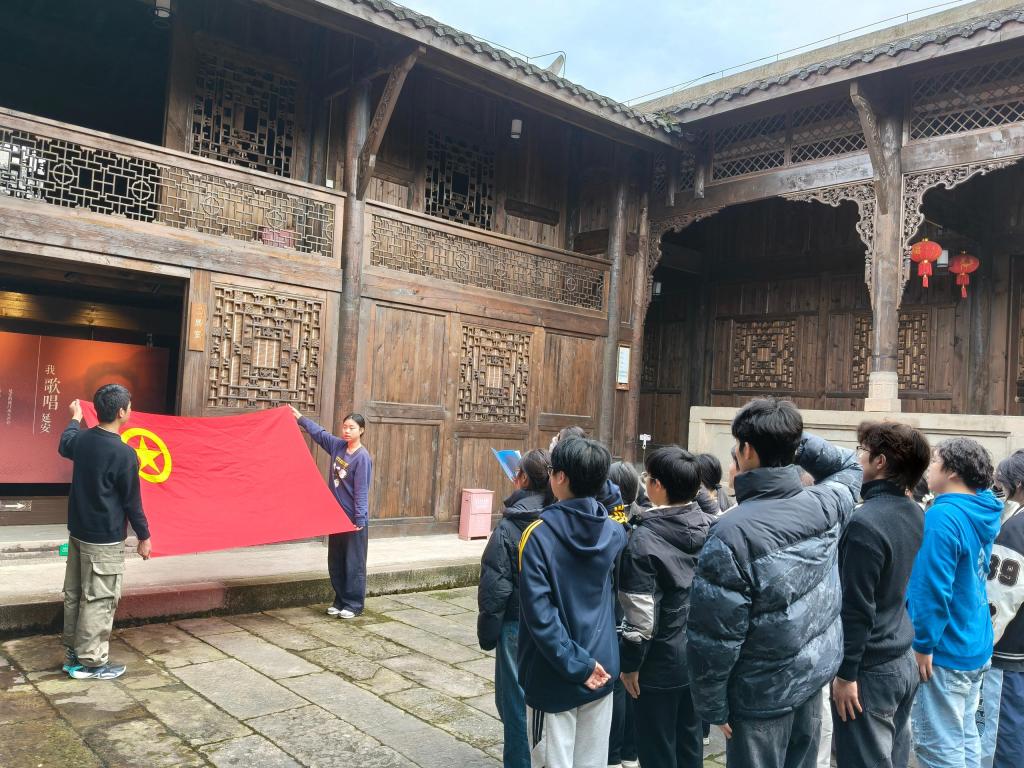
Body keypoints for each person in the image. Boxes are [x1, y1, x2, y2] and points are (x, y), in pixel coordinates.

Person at [686, 397, 861, 768]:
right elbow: (849, 464)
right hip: (811, 679)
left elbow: (715, 637)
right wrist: (791, 440)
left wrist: (712, 706)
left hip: (759, 695)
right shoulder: (825, 504)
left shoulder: (730, 532)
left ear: (747, 450)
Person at [518, 437, 627, 768]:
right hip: (603, 666)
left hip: (556, 672)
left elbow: (541, 617)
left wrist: (579, 666)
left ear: (560, 477)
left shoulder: (537, 535)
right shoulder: (614, 532)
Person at [831, 422, 931, 768]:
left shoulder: (865, 524)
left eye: (862, 451)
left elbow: (856, 608)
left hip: (871, 668)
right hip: (901, 653)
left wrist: (846, 674)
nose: (857, 457)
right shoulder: (914, 511)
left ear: (880, 461)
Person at [908, 437, 1001, 768]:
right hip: (974, 641)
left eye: (934, 462)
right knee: (964, 737)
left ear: (952, 472)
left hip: (946, 649)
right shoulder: (982, 509)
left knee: (939, 747)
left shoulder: (943, 516)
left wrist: (922, 643)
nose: (929, 469)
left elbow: (931, 588)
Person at [618, 446, 713, 768]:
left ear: (657, 485)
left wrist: (630, 664)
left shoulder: (643, 541)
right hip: (700, 654)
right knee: (690, 742)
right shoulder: (711, 526)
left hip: (658, 663)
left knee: (657, 748)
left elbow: (640, 616)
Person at [58, 385, 152, 680]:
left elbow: (65, 442)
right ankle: (91, 663)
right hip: (105, 540)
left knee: (75, 595)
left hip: (78, 533)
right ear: (122, 412)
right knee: (99, 599)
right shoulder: (125, 454)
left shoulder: (82, 440)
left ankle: (74, 656)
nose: (130, 409)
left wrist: (75, 417)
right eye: (130, 406)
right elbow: (132, 501)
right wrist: (144, 536)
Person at [477, 450, 553, 768]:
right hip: (553, 621)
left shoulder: (510, 526)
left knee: (515, 701)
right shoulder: (558, 517)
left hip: (516, 622)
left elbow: (495, 587)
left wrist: (487, 632)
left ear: (521, 478)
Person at [291, 407, 372, 618]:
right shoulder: (338, 446)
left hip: (353, 519)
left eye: (352, 428)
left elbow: (361, 490)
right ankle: (340, 600)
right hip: (335, 517)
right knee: (336, 561)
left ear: (361, 431)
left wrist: (360, 517)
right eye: (345, 427)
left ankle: (354, 604)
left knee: (353, 563)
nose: (347, 431)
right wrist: (300, 418)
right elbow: (320, 434)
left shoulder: (362, 457)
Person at [980, 451, 1024, 767]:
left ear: (1017, 485)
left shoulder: (1015, 530)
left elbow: (998, 602)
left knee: (999, 746)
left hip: (1009, 657)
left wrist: (980, 646)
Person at [607, 461, 642, 768]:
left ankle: (614, 755)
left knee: (619, 685)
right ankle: (630, 752)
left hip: (617, 616)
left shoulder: (611, 529)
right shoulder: (641, 523)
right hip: (640, 619)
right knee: (634, 686)